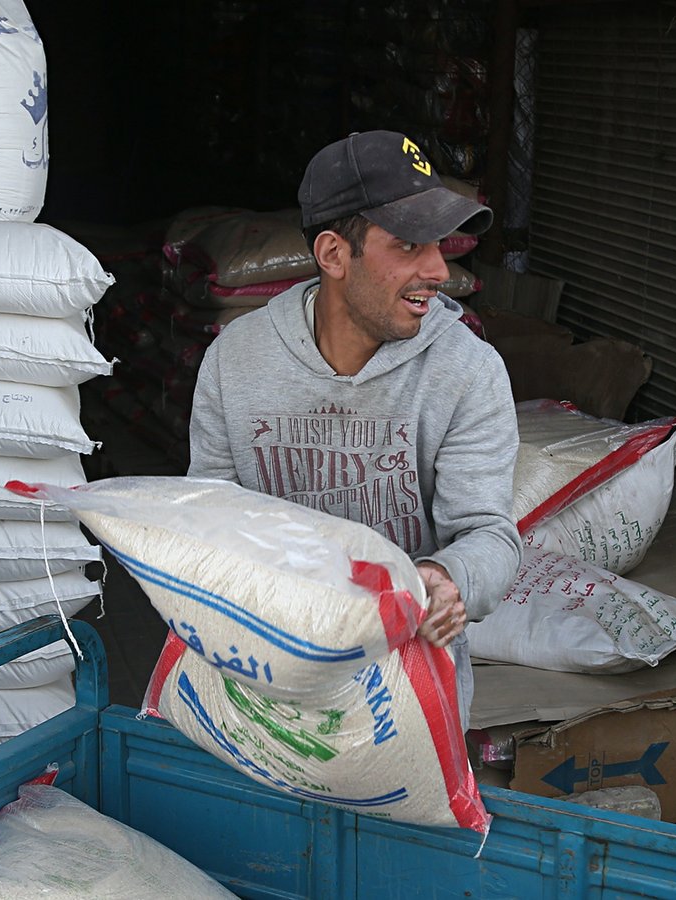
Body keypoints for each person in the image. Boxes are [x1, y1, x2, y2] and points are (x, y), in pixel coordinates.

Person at [186, 130, 523, 730]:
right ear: (334, 255)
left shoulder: (468, 370)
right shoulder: (236, 362)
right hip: (266, 677)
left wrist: (446, 580)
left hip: (407, 687)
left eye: (441, 245)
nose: (438, 269)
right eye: (409, 246)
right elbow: (210, 523)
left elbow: (489, 535)